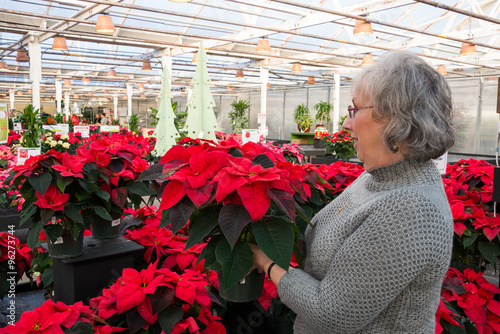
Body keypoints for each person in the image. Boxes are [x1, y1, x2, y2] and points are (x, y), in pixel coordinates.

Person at [251, 51, 455, 333]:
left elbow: (332, 314)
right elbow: (328, 245)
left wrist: (265, 260)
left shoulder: (412, 207)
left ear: (394, 119)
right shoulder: (377, 177)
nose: (346, 123)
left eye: (355, 110)